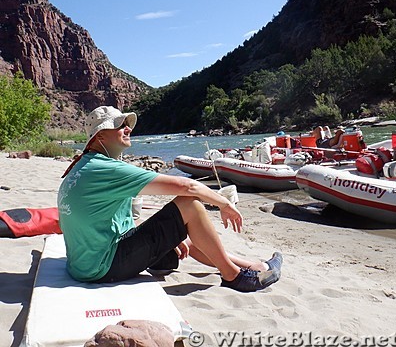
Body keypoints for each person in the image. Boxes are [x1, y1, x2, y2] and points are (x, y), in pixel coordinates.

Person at [58, 106, 283, 292]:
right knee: (190, 205)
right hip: (103, 266)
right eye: (119, 125)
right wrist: (224, 203)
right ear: (101, 136)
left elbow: (108, 221)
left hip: (85, 263)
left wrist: (173, 236)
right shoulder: (105, 169)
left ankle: (253, 265)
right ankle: (235, 277)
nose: (127, 129)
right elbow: (187, 186)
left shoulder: (83, 166)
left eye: (127, 124)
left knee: (185, 229)